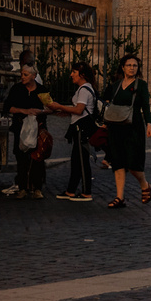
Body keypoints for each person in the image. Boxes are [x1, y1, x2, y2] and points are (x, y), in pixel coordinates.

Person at [103, 54, 151, 208]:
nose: (132, 68)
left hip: (134, 127)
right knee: (118, 162)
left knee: (133, 164)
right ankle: (119, 197)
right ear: (123, 67)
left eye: (135, 66)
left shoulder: (141, 85)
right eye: (129, 65)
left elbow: (145, 106)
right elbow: (107, 103)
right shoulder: (115, 85)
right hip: (116, 127)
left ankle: (145, 185)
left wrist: (149, 124)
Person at [3, 61, 49, 199]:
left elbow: (50, 107)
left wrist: (39, 112)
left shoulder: (42, 90)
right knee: (21, 157)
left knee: (37, 158)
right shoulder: (17, 89)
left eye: (25, 74)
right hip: (20, 127)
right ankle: (22, 187)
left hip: (38, 129)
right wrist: (24, 111)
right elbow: (7, 107)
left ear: (33, 76)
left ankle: (37, 188)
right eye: (21, 74)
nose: (22, 77)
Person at [49, 64, 95, 200]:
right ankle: (71, 190)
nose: (71, 75)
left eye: (74, 72)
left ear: (81, 74)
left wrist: (60, 106)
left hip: (82, 128)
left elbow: (79, 110)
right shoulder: (84, 89)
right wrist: (65, 111)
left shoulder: (84, 90)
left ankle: (87, 192)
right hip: (79, 127)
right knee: (76, 160)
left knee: (82, 161)